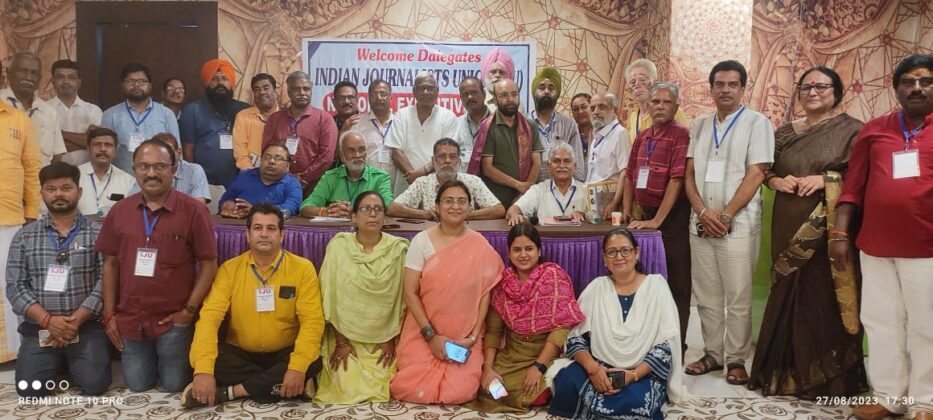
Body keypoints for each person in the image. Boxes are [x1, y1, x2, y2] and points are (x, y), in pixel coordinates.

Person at [749, 66, 868, 400]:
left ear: (836, 91)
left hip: (830, 227)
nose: (813, 92)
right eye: (806, 86)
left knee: (822, 297)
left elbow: (860, 178)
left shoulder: (853, 131)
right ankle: (784, 371)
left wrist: (827, 179)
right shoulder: (784, 132)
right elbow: (766, 169)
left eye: (821, 86)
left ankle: (828, 379)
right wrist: (776, 181)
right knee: (787, 291)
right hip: (786, 221)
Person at [830, 54, 933, 420]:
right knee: (881, 322)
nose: (917, 87)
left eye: (925, 81)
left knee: (926, 325)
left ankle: (926, 402)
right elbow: (853, 187)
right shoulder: (874, 130)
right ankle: (891, 396)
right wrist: (840, 232)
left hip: (926, 249)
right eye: (908, 81)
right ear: (896, 88)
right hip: (874, 246)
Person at [96, 139, 218, 392]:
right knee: (137, 386)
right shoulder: (119, 211)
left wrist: (188, 311)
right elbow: (110, 265)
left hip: (173, 320)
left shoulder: (193, 211)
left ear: (174, 169)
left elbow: (208, 263)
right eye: (143, 166)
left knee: (174, 386)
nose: (151, 173)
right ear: (134, 170)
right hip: (130, 318)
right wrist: (109, 315)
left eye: (160, 166)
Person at [683, 60, 774, 385]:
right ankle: (712, 353)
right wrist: (703, 212)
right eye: (719, 84)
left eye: (732, 84)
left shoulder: (757, 123)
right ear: (711, 89)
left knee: (737, 295)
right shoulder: (700, 125)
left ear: (742, 88)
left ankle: (736, 359)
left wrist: (725, 215)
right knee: (706, 294)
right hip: (702, 222)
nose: (725, 89)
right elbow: (689, 174)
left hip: (739, 223)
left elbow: (757, 172)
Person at [183, 203, 324, 407]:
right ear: (248, 235)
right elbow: (209, 319)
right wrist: (204, 372)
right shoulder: (229, 270)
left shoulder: (302, 268)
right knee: (206, 359)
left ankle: (231, 392)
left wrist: (297, 368)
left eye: (271, 228)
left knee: (313, 360)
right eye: (258, 228)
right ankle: (286, 386)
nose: (264, 234)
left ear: (281, 235)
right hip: (241, 354)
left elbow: (312, 321)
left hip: (283, 352)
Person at [549, 228, 687, 420]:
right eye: (612, 252)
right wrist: (594, 370)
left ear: (636, 253)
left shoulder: (656, 286)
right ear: (604, 259)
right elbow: (575, 338)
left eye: (625, 250)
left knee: (638, 400)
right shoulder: (597, 287)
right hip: (599, 367)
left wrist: (633, 375)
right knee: (566, 381)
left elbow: (666, 346)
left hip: (640, 371)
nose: (619, 256)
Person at [389, 180, 504, 404]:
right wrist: (431, 336)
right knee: (409, 389)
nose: (455, 206)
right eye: (448, 201)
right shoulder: (421, 241)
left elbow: (484, 295)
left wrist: (471, 338)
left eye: (462, 201)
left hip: (464, 336)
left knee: (459, 393)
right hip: (424, 331)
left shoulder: (479, 244)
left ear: (469, 208)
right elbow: (410, 293)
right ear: (437, 206)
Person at [6, 162, 110, 397]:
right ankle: (60, 360)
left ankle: (68, 360)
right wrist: (48, 320)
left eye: (66, 188)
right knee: (30, 391)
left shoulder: (98, 233)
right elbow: (15, 286)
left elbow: (106, 281)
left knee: (94, 386)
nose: (59, 194)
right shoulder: (25, 235)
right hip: (40, 328)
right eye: (51, 189)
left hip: (84, 325)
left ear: (79, 192)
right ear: (42, 193)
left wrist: (76, 320)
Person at [605, 82, 693, 347]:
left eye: (667, 102)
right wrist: (630, 212)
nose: (660, 107)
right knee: (648, 277)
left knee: (677, 281)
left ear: (676, 107)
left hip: (672, 217)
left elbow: (677, 180)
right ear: (648, 105)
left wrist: (658, 221)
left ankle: (678, 342)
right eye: (656, 102)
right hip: (644, 217)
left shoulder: (681, 134)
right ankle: (649, 337)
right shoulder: (643, 136)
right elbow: (630, 176)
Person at [468, 222, 584, 413]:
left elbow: (562, 327)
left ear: (539, 251)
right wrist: (487, 369)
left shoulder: (554, 277)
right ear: (509, 253)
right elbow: (494, 331)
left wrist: (539, 366)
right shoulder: (503, 283)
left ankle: (539, 390)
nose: (523, 255)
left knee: (542, 391)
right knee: (487, 388)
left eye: (529, 249)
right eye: (517, 250)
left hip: (544, 355)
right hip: (512, 357)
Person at [315, 192, 409, 403]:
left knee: (386, 384)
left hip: (386, 338)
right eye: (366, 209)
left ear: (385, 218)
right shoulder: (339, 246)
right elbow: (329, 297)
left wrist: (390, 339)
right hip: (344, 336)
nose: (372, 214)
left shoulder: (398, 250)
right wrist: (341, 342)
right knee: (344, 387)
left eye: (378, 209)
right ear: (354, 217)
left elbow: (402, 301)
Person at [181, 59, 250, 212]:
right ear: (207, 82)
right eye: (215, 78)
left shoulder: (243, 110)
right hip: (205, 184)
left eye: (225, 78)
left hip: (240, 183)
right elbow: (187, 150)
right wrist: (192, 181)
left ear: (231, 83)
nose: (220, 83)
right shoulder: (193, 110)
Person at [262, 71, 338, 196]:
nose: (302, 93)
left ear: (311, 91)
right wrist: (288, 179)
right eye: (297, 89)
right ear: (288, 91)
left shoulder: (324, 119)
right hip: (279, 186)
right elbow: (267, 152)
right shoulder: (274, 119)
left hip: (315, 188)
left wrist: (305, 177)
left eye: (306, 89)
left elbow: (327, 156)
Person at [388, 138, 504, 220]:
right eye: (442, 156)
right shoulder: (422, 183)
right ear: (433, 161)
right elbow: (393, 208)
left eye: (453, 157)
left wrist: (466, 215)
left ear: (459, 161)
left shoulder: (473, 182)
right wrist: (425, 214)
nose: (447, 161)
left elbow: (499, 210)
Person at [471, 79, 543, 206]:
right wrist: (518, 185)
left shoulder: (530, 126)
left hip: (525, 200)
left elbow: (536, 163)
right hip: (494, 202)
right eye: (504, 95)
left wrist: (525, 193)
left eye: (514, 94)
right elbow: (487, 168)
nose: (510, 99)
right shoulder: (488, 127)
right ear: (494, 99)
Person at [385, 72, 457, 196]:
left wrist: (419, 174)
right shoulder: (402, 115)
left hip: (437, 182)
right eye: (421, 88)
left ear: (437, 91)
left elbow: (447, 153)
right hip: (406, 182)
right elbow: (396, 152)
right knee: (404, 214)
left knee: (435, 213)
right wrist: (412, 176)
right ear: (414, 91)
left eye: (430, 88)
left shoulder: (448, 116)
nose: (425, 92)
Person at [101, 62, 180, 173]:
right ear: (122, 85)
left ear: (150, 85)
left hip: (157, 180)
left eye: (142, 81)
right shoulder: (110, 115)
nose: (137, 85)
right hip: (122, 181)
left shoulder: (166, 114)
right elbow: (104, 152)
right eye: (131, 81)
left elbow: (176, 153)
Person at [299, 132, 393, 218]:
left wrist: (354, 212)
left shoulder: (380, 178)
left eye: (361, 150)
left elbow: (387, 208)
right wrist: (328, 212)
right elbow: (305, 208)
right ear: (342, 156)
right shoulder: (330, 177)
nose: (357, 155)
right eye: (351, 150)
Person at [0, 52, 66, 166]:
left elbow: (57, 156)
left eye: (34, 73)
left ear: (40, 79)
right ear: (9, 73)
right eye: (22, 71)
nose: (28, 77)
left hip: (38, 181)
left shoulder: (49, 112)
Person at [506, 143, 586, 225]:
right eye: (556, 161)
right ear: (549, 166)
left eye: (567, 161)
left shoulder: (586, 190)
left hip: (578, 237)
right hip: (545, 237)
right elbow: (513, 210)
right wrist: (515, 215)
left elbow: (597, 217)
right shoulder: (538, 190)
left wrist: (584, 215)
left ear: (575, 166)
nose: (562, 165)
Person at [529, 67, 586, 182]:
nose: (546, 91)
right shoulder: (523, 124)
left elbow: (578, 168)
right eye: (541, 87)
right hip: (532, 193)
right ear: (534, 92)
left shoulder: (569, 125)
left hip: (562, 193)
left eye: (551, 88)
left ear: (557, 94)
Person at [219, 143, 302, 219]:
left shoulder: (292, 184)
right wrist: (227, 206)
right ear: (260, 161)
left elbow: (289, 210)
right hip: (236, 224)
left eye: (278, 158)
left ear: (287, 166)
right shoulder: (245, 176)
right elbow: (225, 200)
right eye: (267, 157)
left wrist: (256, 211)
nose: (271, 161)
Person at [128, 133, 210, 204]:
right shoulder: (148, 172)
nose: (164, 156)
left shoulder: (194, 170)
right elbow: (132, 202)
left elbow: (199, 205)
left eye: (169, 151)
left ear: (179, 153)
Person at [48, 59, 103, 166]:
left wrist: (60, 135)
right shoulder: (44, 109)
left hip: (87, 175)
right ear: (52, 81)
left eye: (71, 77)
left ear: (79, 82)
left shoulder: (93, 111)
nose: (66, 81)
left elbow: (97, 144)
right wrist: (85, 140)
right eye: (60, 77)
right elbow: (45, 146)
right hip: (53, 173)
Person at [623, 59, 689, 140]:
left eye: (643, 79)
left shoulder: (672, 112)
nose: (637, 84)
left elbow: (687, 143)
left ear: (654, 82)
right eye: (632, 82)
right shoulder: (633, 117)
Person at [76, 127, 136, 216]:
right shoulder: (73, 176)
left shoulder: (128, 181)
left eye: (108, 145)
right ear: (88, 149)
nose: (103, 149)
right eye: (97, 144)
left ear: (115, 151)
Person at [348, 79, 395, 177]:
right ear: (368, 98)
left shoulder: (400, 122)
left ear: (391, 97)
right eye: (374, 94)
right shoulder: (357, 124)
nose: (379, 98)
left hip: (396, 186)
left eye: (383, 94)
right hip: (367, 184)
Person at [233, 73, 279, 170]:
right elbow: (241, 154)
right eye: (257, 89)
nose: (262, 92)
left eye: (266, 88)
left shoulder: (285, 117)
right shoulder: (243, 116)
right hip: (251, 173)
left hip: (280, 175)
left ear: (275, 91)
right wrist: (253, 175)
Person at [586, 91, 631, 184]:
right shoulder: (596, 137)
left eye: (602, 107)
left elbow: (625, 173)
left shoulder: (620, 133)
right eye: (593, 108)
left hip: (611, 197)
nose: (596, 112)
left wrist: (615, 199)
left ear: (615, 110)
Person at [455, 76, 490, 172]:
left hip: (491, 183)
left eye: (474, 92)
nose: (470, 97)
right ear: (461, 98)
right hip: (463, 183)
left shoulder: (496, 121)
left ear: (484, 94)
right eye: (465, 94)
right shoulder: (456, 124)